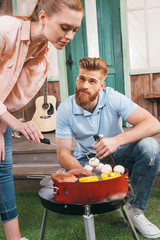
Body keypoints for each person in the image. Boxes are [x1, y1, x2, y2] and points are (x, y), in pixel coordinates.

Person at [0, 0, 83, 239]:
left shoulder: (42, 53)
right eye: (65, 27)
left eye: (75, 30)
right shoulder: (5, 31)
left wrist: (2, 126)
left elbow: (7, 94)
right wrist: (16, 123)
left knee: (3, 169)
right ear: (44, 17)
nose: (70, 36)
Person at [56, 57, 160, 239]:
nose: (84, 86)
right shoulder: (65, 108)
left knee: (150, 146)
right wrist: (83, 172)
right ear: (76, 78)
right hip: (86, 163)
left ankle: (134, 210)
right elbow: (63, 154)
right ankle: (98, 196)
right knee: (72, 175)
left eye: (92, 81)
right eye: (81, 79)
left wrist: (117, 141)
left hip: (117, 156)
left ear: (101, 85)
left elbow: (153, 124)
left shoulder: (112, 97)